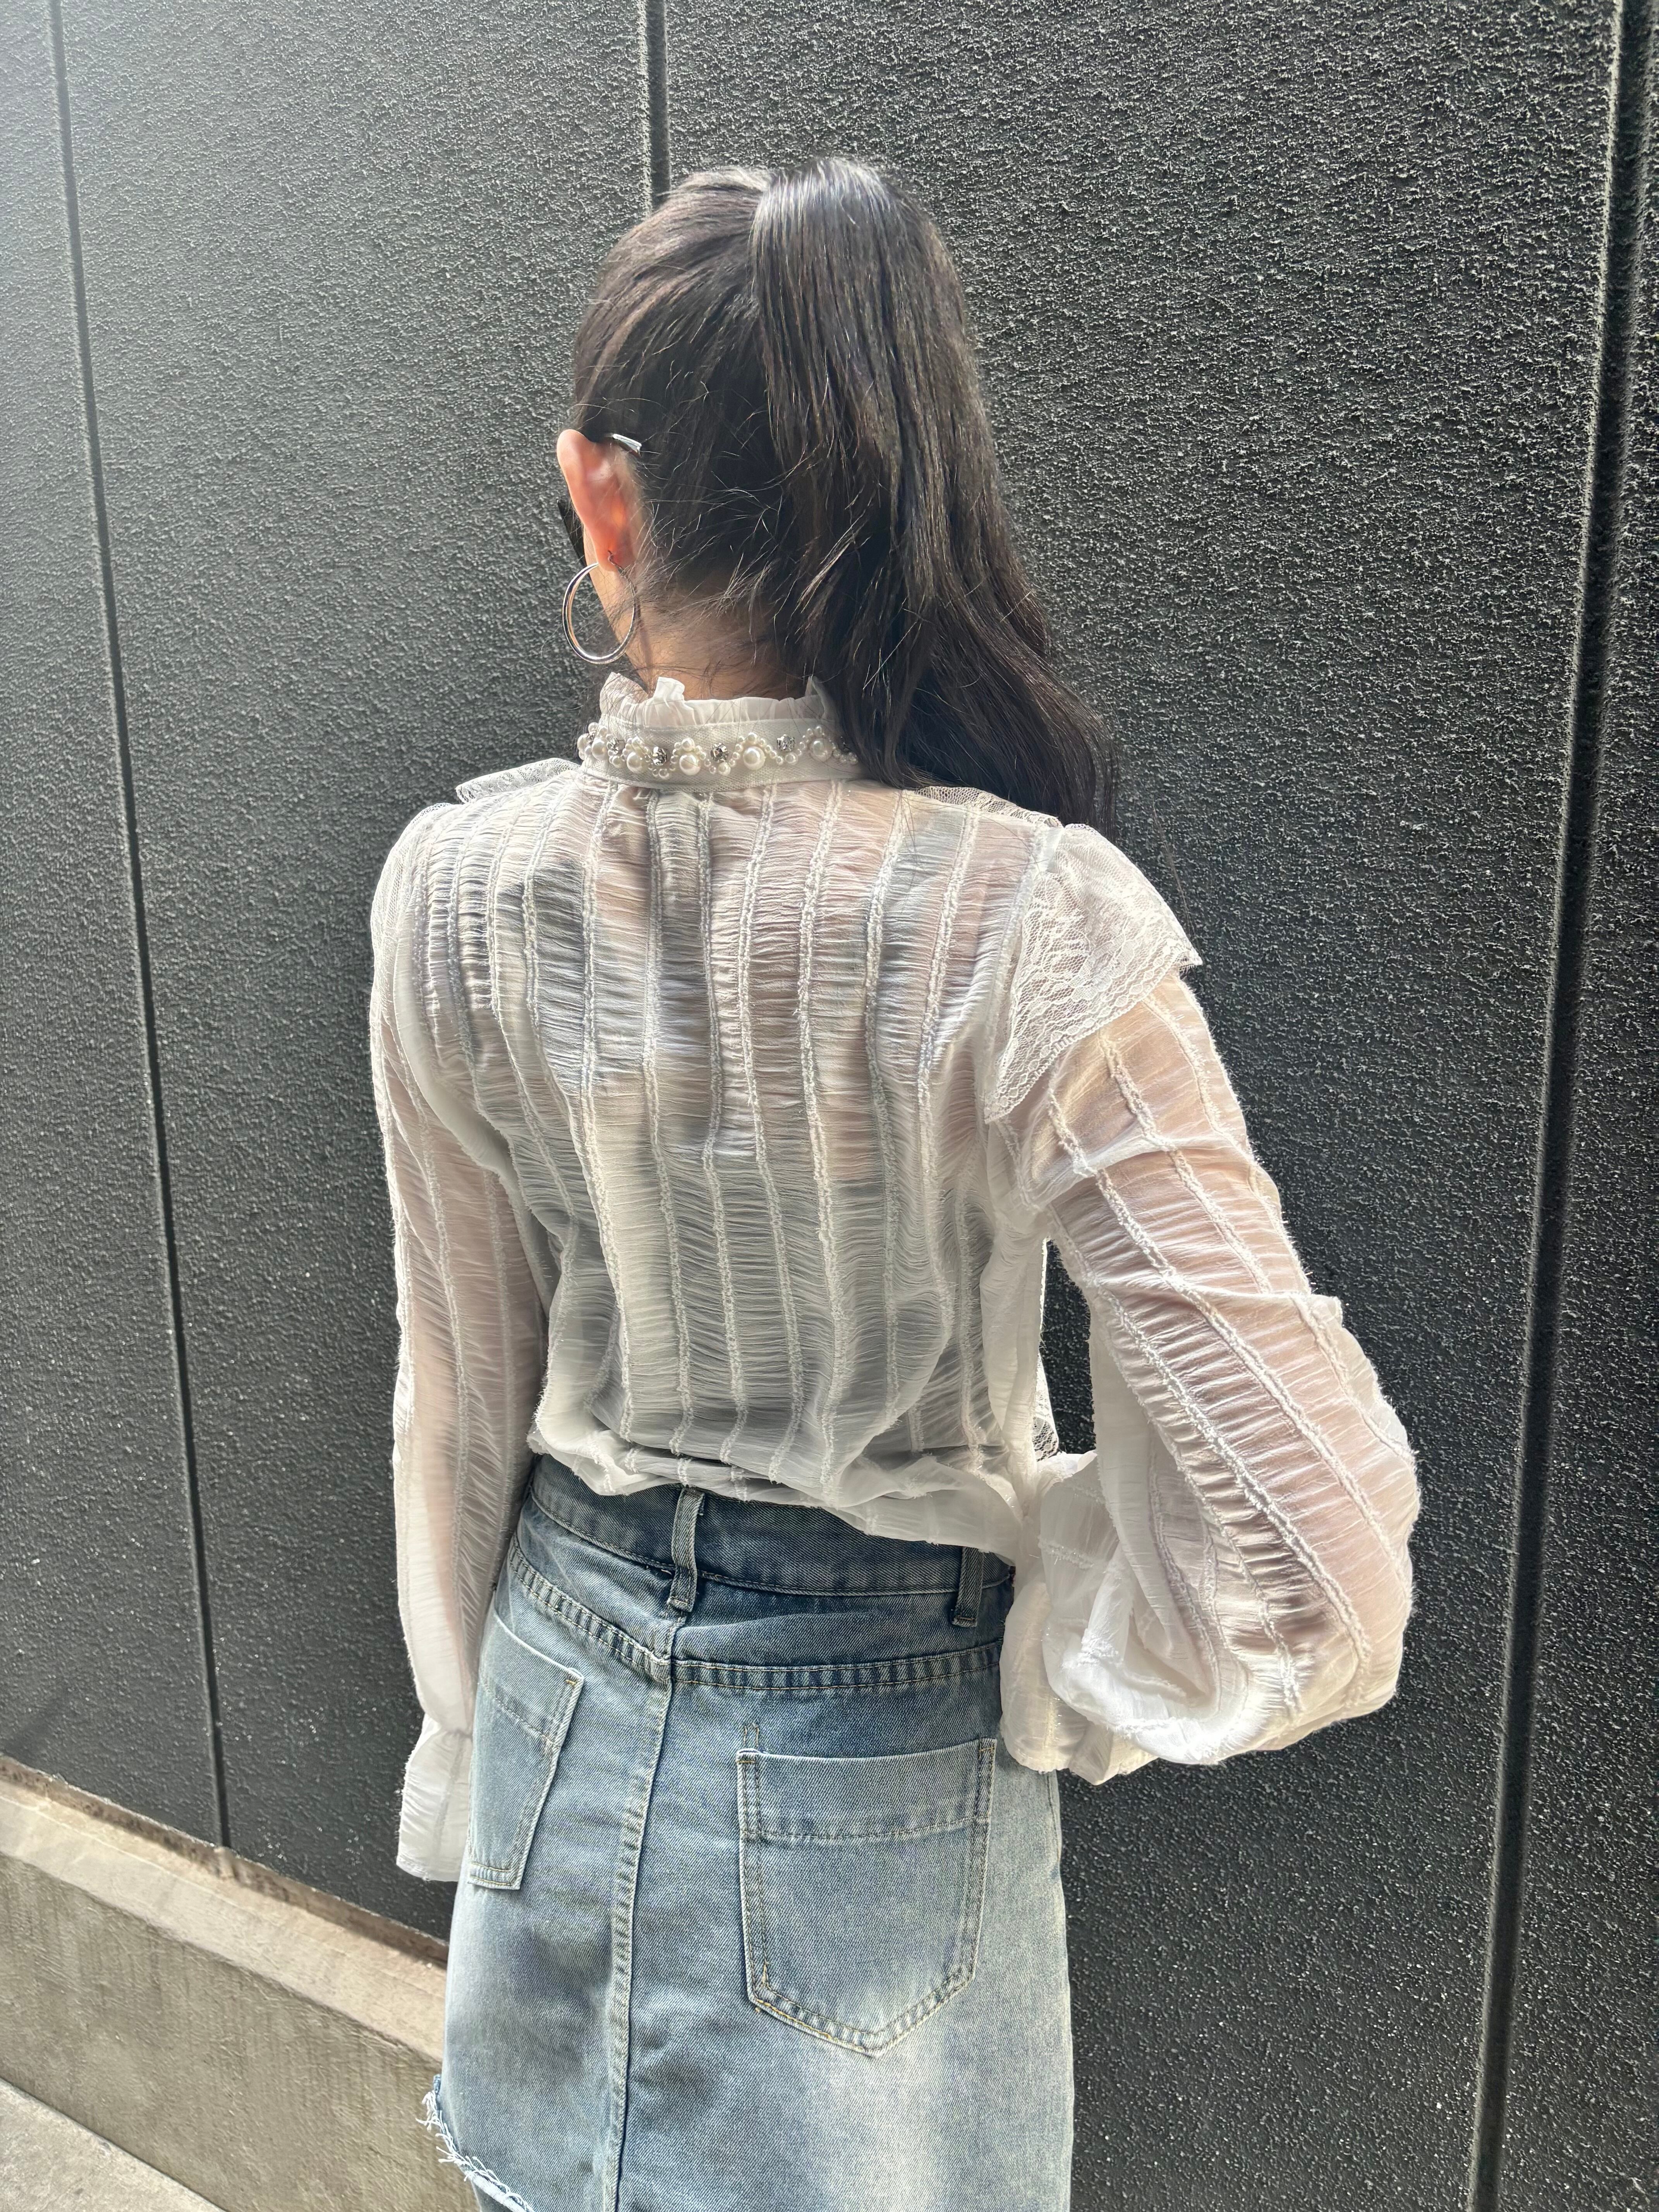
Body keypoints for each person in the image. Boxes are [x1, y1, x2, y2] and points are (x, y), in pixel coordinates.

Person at [368, 155, 1422, 2212]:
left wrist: (480, 1751)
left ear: (602, 497)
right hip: (882, 1770)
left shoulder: (453, 892)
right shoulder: (1030, 928)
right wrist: (1048, 1644)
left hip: (552, 1718)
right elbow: (1310, 1560)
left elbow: (457, 1403)